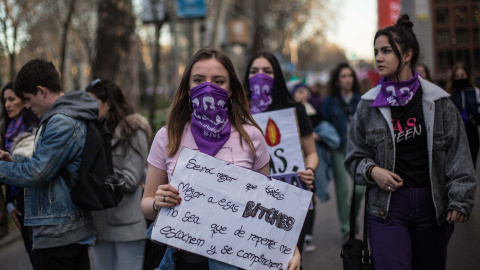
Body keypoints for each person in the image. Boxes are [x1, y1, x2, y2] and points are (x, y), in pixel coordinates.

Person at [141, 47, 301, 270]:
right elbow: (146, 204)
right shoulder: (167, 136)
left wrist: (289, 246)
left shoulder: (251, 137)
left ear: (231, 90)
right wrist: (158, 203)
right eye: (198, 80)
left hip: (237, 259)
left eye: (218, 81)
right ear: (187, 88)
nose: (208, 87)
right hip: (184, 260)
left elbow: (267, 204)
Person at [345, 14, 476, 270]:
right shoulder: (367, 105)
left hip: (432, 207)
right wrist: (372, 171)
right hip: (386, 209)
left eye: (386, 51)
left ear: (407, 55)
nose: (378, 58)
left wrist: (460, 200)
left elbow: (458, 154)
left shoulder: (439, 103)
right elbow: (353, 157)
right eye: (376, 52)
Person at [0, 59, 98, 270]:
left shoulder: (62, 121)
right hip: (62, 229)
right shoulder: (61, 117)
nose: (27, 106)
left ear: (41, 91)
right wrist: (12, 160)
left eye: (27, 99)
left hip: (60, 232)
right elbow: (49, 165)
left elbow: (37, 173)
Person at [244, 51, 318, 260]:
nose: (260, 76)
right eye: (254, 71)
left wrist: (310, 170)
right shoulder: (238, 114)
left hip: (291, 198)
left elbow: (312, 153)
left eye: (267, 71)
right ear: (246, 77)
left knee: (290, 259)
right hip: (252, 201)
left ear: (277, 75)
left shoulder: (296, 111)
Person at [86, 79, 152, 270]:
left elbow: (131, 180)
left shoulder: (133, 130)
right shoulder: (92, 131)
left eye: (92, 101)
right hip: (99, 224)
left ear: (108, 103)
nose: (88, 107)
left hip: (127, 225)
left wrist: (100, 165)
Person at [322, 63, 364, 243]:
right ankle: (347, 229)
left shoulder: (361, 100)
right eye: (344, 76)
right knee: (343, 189)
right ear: (337, 81)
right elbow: (323, 124)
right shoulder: (330, 102)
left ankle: (351, 215)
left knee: (360, 189)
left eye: (350, 76)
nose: (348, 79)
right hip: (338, 149)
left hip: (358, 149)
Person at [1, 82, 41, 269]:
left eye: (12, 99)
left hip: (34, 201)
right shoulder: (7, 131)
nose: (7, 104)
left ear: (24, 101)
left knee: (41, 257)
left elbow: (32, 169)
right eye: (4, 101)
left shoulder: (34, 128)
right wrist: (9, 203)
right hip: (17, 203)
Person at [445, 62, 480, 168]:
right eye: (457, 76)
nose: (460, 78)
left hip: (471, 130)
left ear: (466, 76)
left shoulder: (475, 91)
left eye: (462, 75)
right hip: (456, 132)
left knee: (472, 159)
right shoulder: (449, 93)